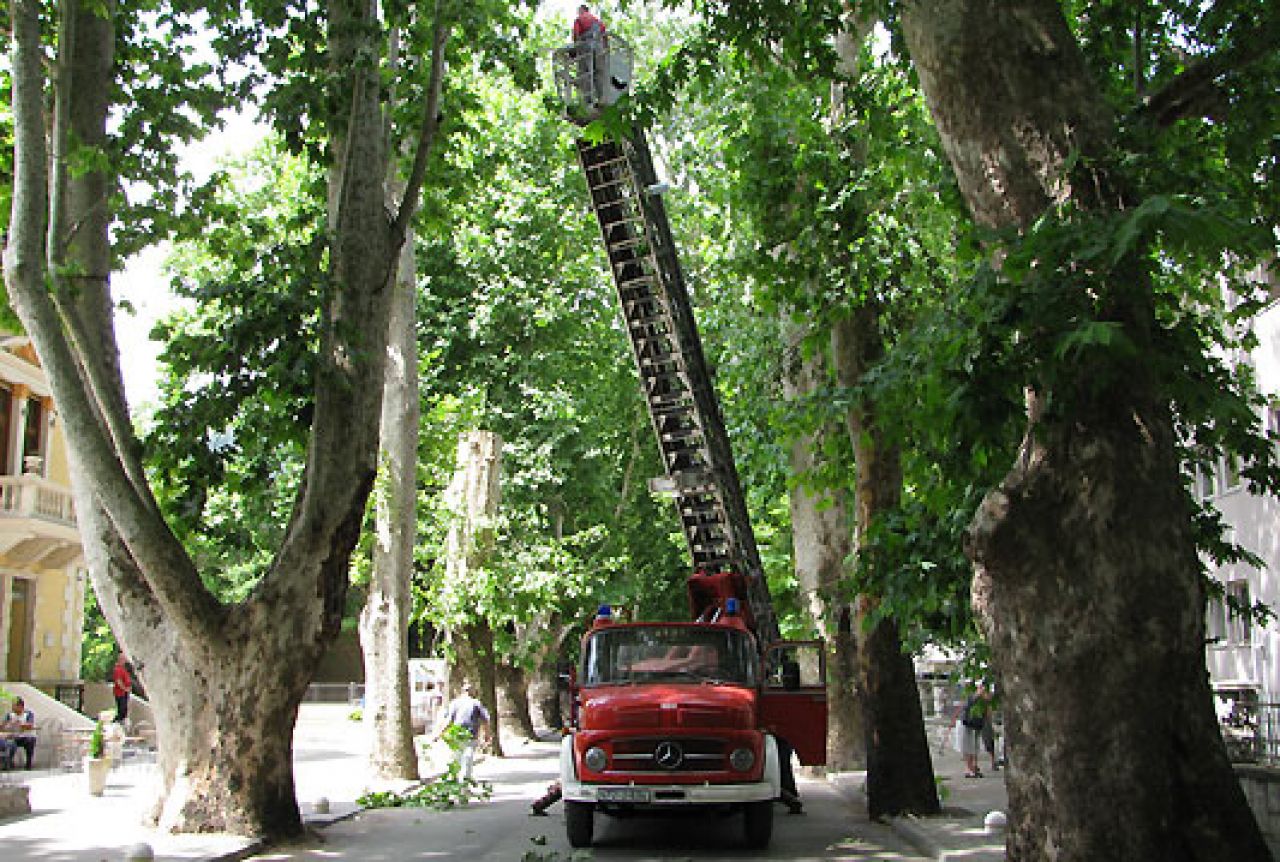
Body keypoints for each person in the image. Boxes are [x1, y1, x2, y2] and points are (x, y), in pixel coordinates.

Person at [436, 682, 490, 781]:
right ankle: (464, 781)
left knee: (457, 757)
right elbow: (485, 720)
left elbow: (448, 721)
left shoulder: (456, 703)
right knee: (467, 758)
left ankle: (455, 779)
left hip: (458, 734)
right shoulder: (475, 703)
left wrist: (439, 733)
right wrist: (487, 735)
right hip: (469, 735)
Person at [571, 4, 607, 105]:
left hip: (586, 47)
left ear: (582, 10)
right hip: (598, 48)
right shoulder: (597, 21)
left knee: (586, 73)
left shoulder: (579, 19)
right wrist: (605, 50)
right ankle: (601, 98)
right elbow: (605, 36)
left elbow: (576, 35)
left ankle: (588, 100)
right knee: (599, 73)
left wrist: (575, 50)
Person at [954, 682, 990, 778]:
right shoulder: (967, 693)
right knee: (967, 746)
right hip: (966, 722)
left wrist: (985, 699)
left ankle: (973, 767)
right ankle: (969, 768)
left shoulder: (983, 695)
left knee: (974, 746)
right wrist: (977, 695)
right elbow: (966, 705)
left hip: (976, 723)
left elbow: (986, 709)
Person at [2, 697, 36, 769]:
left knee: (31, 740)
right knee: (9, 743)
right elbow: (3, 725)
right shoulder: (10, 715)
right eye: (12, 705)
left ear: (20, 706)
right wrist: (8, 725)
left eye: (14, 706)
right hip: (14, 737)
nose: (12, 707)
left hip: (26, 737)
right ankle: (8, 762)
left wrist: (19, 725)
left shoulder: (28, 714)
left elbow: (30, 725)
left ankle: (28, 763)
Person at [112, 652, 133, 724]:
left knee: (124, 711)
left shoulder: (123, 668)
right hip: (120, 693)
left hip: (124, 693)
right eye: (124, 659)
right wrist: (125, 689)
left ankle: (120, 725)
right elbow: (118, 681)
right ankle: (115, 724)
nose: (125, 660)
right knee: (122, 711)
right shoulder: (118, 669)